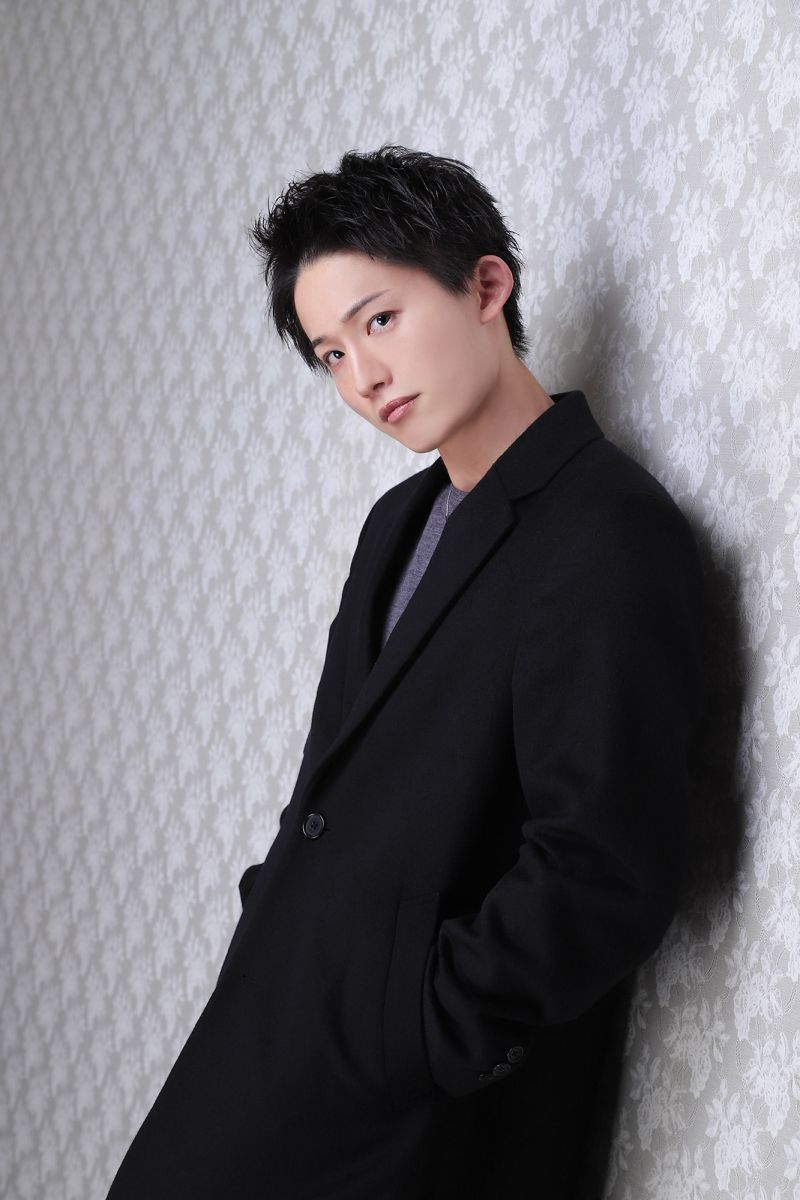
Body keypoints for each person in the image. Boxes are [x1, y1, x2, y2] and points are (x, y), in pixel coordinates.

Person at [106, 145, 706, 1199]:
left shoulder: (606, 528)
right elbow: (331, 779)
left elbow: (604, 862)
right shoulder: (398, 521)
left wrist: (419, 1027)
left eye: (379, 320)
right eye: (331, 354)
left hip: (419, 1104)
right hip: (278, 1028)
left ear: (485, 285)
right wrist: (275, 915)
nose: (363, 379)